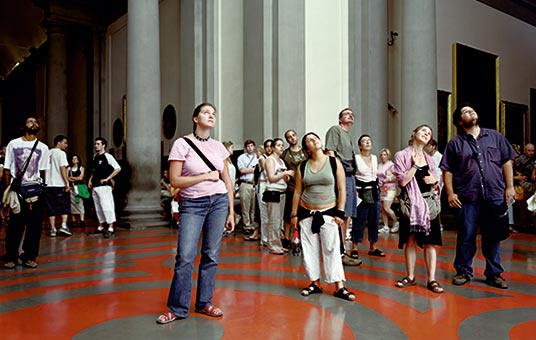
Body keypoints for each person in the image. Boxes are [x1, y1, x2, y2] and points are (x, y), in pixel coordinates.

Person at [156, 102, 235, 324]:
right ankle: (177, 307)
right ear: (195, 118)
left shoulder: (219, 147)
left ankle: (204, 302)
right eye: (206, 112)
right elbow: (174, 180)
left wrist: (231, 211)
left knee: (211, 255)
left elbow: (226, 180)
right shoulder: (182, 144)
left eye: (214, 114)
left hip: (218, 202)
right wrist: (204, 176)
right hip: (192, 204)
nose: (211, 116)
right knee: (185, 256)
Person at [441, 104, 516, 289]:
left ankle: (494, 273)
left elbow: (507, 161)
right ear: (460, 121)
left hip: (494, 194)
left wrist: (510, 187)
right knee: (466, 235)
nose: (471, 112)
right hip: (468, 196)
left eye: (472, 110)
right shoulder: (455, 143)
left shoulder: (495, 136)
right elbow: (447, 170)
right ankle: (463, 271)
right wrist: (450, 193)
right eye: (466, 111)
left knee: (493, 235)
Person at [290, 132, 355, 301]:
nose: (314, 140)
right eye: (309, 140)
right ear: (307, 148)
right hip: (306, 212)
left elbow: (342, 189)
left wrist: (340, 212)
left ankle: (339, 286)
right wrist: (294, 214)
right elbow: (297, 191)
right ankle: (315, 282)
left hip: (329, 212)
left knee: (332, 248)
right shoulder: (302, 166)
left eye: (315, 137)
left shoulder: (334, 162)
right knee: (309, 249)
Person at [393, 125, 444, 294]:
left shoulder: (429, 158)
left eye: (429, 133)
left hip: (428, 203)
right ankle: (410, 276)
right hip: (410, 203)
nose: (426, 134)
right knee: (411, 240)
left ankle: (432, 279)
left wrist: (434, 180)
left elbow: (435, 179)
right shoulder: (402, 155)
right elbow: (402, 181)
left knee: (431, 242)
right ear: (414, 133)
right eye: (423, 131)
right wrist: (414, 166)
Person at [3, 117, 49, 269]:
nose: (34, 124)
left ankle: (29, 257)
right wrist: (8, 190)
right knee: (15, 226)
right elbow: (8, 168)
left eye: (36, 122)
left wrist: (42, 190)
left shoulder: (43, 147)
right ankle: (11, 257)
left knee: (35, 227)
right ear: (23, 126)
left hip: (35, 189)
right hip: (18, 190)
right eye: (30, 121)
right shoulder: (13, 144)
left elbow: (42, 171)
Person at [325, 108, 357, 259]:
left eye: (352, 114)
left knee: (348, 214)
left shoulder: (348, 135)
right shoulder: (335, 130)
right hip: (341, 173)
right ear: (340, 119)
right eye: (346, 114)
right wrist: (336, 174)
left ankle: (342, 247)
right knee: (341, 211)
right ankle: (339, 249)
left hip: (350, 174)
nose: (350, 115)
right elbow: (330, 152)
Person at [348, 134, 384, 261]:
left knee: (374, 219)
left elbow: (375, 175)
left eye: (369, 140)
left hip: (374, 190)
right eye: (364, 141)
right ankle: (355, 247)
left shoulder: (374, 158)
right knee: (360, 219)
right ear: (360, 146)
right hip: (362, 191)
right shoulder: (356, 158)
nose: (368, 143)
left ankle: (373, 247)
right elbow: (352, 175)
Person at [264, 138, 294, 255]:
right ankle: (273, 245)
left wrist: (286, 176)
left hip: (282, 191)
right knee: (274, 220)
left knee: (279, 220)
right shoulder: (270, 160)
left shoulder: (281, 161)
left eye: (282, 145)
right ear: (272, 148)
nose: (281, 147)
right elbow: (271, 178)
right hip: (273, 192)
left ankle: (278, 244)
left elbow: (283, 178)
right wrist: (285, 173)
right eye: (278, 145)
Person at [88, 137, 121, 238]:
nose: (96, 146)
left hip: (104, 187)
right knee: (98, 207)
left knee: (107, 206)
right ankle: (101, 226)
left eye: (98, 144)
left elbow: (118, 168)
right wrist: (90, 180)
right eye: (95, 144)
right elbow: (94, 170)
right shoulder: (95, 157)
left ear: (103, 145)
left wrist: (108, 178)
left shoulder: (108, 156)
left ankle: (111, 227)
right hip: (95, 186)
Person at [281, 129, 308, 249]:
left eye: (293, 135)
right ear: (287, 140)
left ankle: (301, 238)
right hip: (291, 188)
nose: (292, 138)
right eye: (289, 137)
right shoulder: (285, 154)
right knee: (288, 214)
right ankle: (286, 238)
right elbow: (281, 167)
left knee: (303, 215)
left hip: (305, 187)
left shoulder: (305, 152)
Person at [44, 135, 72, 237]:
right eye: (65, 142)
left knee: (51, 207)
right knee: (64, 205)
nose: (66, 145)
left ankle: (53, 229)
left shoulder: (47, 153)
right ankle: (63, 226)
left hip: (48, 185)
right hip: (59, 184)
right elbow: (62, 168)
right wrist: (66, 182)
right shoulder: (61, 153)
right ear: (58, 142)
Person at [245, 139, 272, 242]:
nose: (269, 148)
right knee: (264, 213)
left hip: (272, 185)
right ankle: (264, 238)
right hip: (263, 185)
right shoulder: (262, 158)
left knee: (271, 214)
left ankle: (271, 237)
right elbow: (268, 170)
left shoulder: (275, 159)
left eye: (271, 146)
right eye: (267, 146)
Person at [237, 139, 258, 233]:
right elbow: (242, 170)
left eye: (252, 146)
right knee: (245, 206)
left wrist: (249, 169)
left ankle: (253, 225)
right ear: (246, 148)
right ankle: (246, 226)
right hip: (245, 183)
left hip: (254, 184)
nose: (250, 148)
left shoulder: (257, 157)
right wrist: (253, 169)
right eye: (248, 146)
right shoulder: (241, 157)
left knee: (254, 207)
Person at [513, 143, 536, 229]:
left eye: (533, 151)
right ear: (525, 151)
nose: (531, 152)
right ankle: (522, 223)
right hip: (522, 184)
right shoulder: (519, 160)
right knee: (523, 204)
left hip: (531, 185)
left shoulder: (534, 160)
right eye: (529, 150)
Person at [378, 148, 399, 233]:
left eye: (385, 155)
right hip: (381, 188)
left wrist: (387, 180)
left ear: (388, 155)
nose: (383, 156)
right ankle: (385, 225)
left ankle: (396, 222)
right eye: (382, 155)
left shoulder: (391, 165)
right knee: (382, 208)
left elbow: (396, 176)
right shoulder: (379, 165)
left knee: (387, 207)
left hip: (390, 188)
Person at [67, 154, 86, 228]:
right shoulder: (69, 169)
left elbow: (81, 178)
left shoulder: (81, 168)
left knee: (80, 203)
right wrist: (75, 178)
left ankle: (82, 219)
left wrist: (72, 178)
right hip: (72, 188)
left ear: (78, 160)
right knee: (72, 204)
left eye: (75, 158)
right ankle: (73, 220)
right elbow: (67, 178)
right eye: (73, 159)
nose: (74, 160)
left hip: (79, 187)